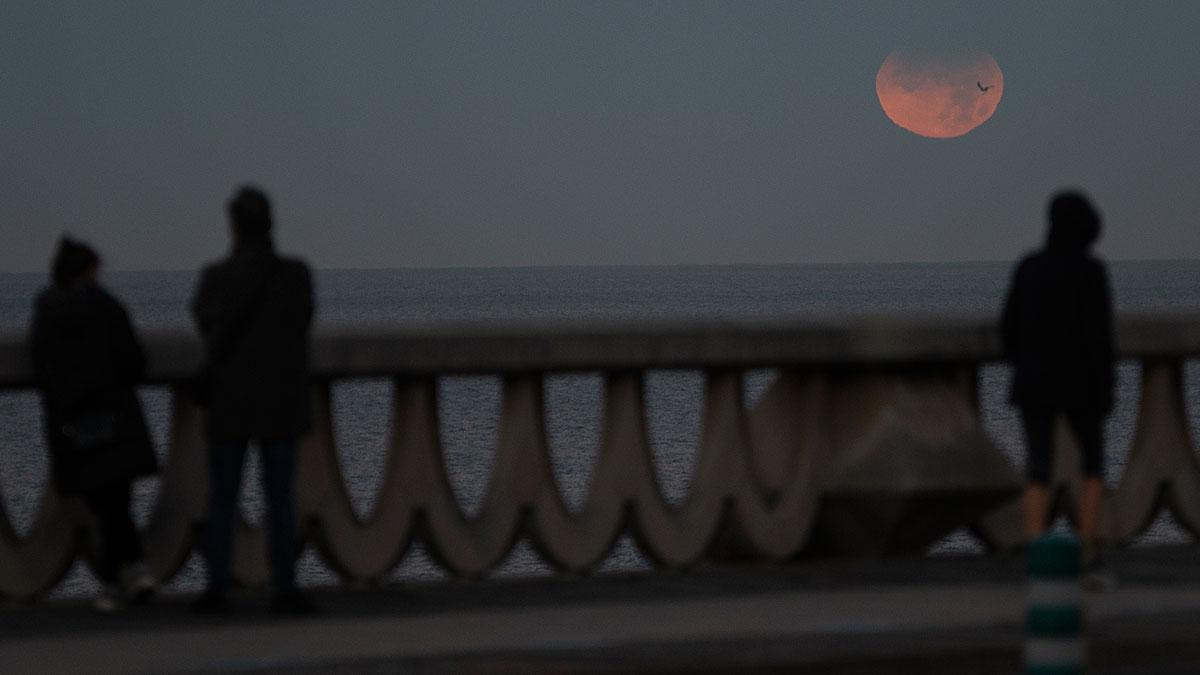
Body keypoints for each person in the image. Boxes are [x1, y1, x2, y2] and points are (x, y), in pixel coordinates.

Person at [190, 185, 317, 614]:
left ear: (233, 227)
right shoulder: (295, 276)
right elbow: (303, 321)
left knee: (223, 498)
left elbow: (205, 323)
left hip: (230, 400)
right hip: (280, 400)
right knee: (280, 498)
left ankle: (216, 588)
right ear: (271, 224)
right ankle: (285, 586)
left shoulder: (216, 279)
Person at [31, 237, 158, 612]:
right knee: (115, 503)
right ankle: (125, 577)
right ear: (90, 270)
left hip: (73, 425)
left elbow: (44, 370)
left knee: (106, 504)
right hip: (115, 420)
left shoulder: (47, 311)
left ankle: (125, 577)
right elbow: (134, 362)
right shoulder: (107, 307)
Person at [1001, 190, 1114, 582]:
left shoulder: (1029, 268)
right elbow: (1101, 338)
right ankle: (1087, 551)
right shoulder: (1091, 271)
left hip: (1034, 382)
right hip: (1082, 383)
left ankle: (1036, 551)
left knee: (1038, 468)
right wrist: (1107, 387)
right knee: (1094, 466)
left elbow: (1009, 330)